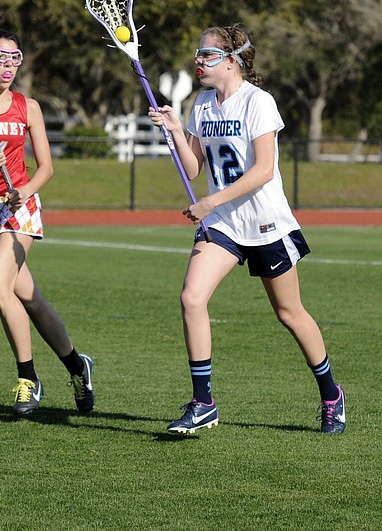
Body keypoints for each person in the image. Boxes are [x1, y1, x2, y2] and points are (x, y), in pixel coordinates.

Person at [148, 25, 346, 434]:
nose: (199, 61)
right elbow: (192, 168)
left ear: (233, 60)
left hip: (265, 222)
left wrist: (210, 201)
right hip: (224, 226)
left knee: (290, 314)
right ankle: (203, 402)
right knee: (191, 297)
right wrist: (172, 132)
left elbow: (263, 170)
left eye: (208, 54)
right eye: (198, 54)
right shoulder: (202, 104)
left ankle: (331, 395)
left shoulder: (259, 102)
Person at [0, 28, 94, 416]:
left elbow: (46, 167)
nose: (9, 65)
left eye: (15, 58)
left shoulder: (29, 107)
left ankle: (28, 379)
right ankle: (77, 366)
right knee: (28, 297)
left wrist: (25, 191)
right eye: (1, 57)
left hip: (18, 206)